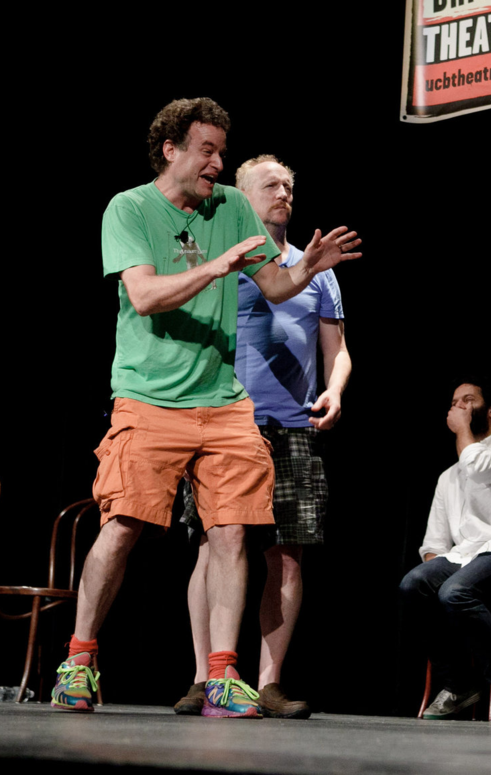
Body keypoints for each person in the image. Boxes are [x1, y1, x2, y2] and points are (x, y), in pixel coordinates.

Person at [53, 98, 361, 715]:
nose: (218, 163)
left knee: (232, 531)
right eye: (207, 151)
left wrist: (307, 268)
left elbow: (275, 284)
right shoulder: (130, 208)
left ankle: (222, 674)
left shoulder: (232, 208)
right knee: (124, 524)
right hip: (149, 397)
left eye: (222, 151)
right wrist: (217, 266)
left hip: (224, 402)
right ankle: (79, 660)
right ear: (171, 150)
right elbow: (144, 295)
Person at [174, 155, 352, 719]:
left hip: (294, 426)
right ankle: (206, 677)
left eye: (289, 186)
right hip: (226, 423)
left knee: (287, 555)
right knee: (212, 548)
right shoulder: (223, 259)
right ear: (241, 195)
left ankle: (268, 682)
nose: (283, 193)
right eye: (271, 185)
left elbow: (337, 350)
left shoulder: (316, 267)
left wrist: (336, 390)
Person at [399, 381, 491, 723]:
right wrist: (432, 584)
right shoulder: (448, 477)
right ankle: (459, 685)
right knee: (414, 585)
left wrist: (463, 429)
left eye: (469, 400)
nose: (460, 407)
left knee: (455, 591)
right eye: (455, 403)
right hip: (464, 559)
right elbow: (434, 545)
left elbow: (478, 465)